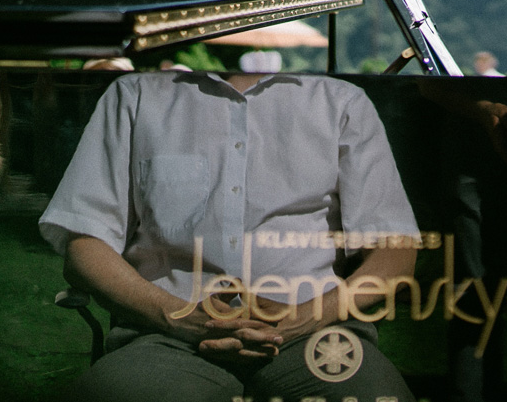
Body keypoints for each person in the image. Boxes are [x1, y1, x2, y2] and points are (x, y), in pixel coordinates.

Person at [39, 69, 421, 402]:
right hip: (163, 337)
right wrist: (180, 318)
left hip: (316, 335)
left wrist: (302, 319)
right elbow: (85, 247)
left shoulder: (340, 100)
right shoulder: (137, 93)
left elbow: (395, 252)